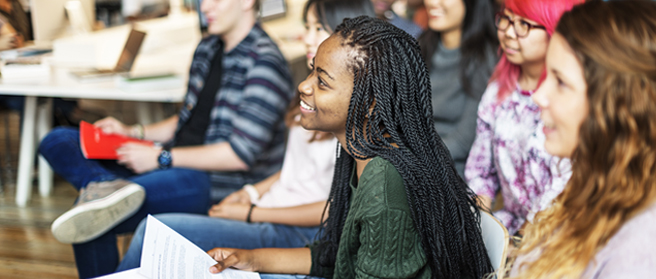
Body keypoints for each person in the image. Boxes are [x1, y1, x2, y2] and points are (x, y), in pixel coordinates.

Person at [206, 16, 493, 279]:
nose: (304, 87)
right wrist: (249, 259)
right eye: (311, 72)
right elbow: (333, 258)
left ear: (369, 103)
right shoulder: (358, 149)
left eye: (322, 82)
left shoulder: (384, 185)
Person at [114, 0, 375, 272]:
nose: (306, 36)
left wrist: (251, 213)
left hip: (292, 227)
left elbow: (337, 206)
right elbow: (297, 169)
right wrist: (250, 193)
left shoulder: (341, 109)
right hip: (268, 205)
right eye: (306, 26)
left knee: (149, 230)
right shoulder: (310, 91)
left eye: (318, 27)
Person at [38, 0, 293, 277]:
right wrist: (134, 132)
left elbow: (238, 154)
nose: (205, 7)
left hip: (216, 180)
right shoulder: (207, 48)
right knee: (58, 140)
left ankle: (103, 195)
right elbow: (185, 120)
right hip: (171, 157)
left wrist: (160, 158)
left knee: (92, 220)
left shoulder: (266, 63)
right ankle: (103, 188)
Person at [511, 1, 656, 277]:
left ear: (618, 106)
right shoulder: (591, 184)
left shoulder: (638, 252)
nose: (539, 96)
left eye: (561, 82)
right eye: (547, 75)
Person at [464, 0, 580, 236]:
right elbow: (480, 170)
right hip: (503, 228)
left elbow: (564, 187)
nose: (507, 32)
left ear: (554, 31)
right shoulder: (498, 91)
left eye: (524, 24)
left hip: (554, 232)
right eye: (506, 19)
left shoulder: (570, 101)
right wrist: (481, 226)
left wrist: (521, 242)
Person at [419, 0, 497, 178]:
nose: (432, 2)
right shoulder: (421, 45)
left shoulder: (485, 58)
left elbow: (464, 139)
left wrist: (413, 159)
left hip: (452, 172)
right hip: (413, 161)